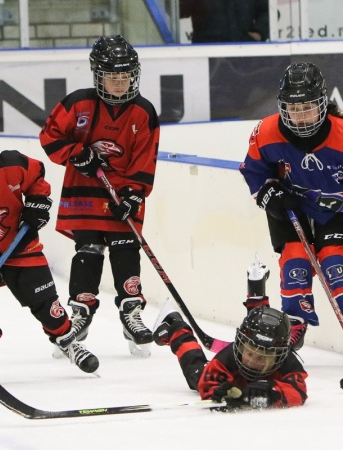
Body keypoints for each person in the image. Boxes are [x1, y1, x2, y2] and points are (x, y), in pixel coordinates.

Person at [0, 111, 99, 384]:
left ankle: (67, 339)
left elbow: (37, 178)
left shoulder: (12, 164)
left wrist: (37, 202)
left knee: (47, 304)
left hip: (21, 247)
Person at [39, 35, 160, 358]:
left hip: (122, 194)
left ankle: (131, 312)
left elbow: (146, 158)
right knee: (88, 250)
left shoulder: (144, 111)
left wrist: (134, 196)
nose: (120, 83)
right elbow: (49, 137)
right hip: (85, 191)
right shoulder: (78, 103)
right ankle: (80, 313)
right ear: (98, 75)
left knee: (125, 248)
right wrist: (77, 154)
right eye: (112, 76)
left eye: (125, 76)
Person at [240, 61, 343, 351]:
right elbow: (254, 171)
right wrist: (269, 194)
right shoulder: (267, 131)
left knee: (336, 266)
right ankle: (295, 322)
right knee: (295, 262)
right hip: (289, 207)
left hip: (336, 210)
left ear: (323, 103)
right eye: (293, 108)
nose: (300, 116)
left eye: (307, 107)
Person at [153, 259, 307, 410]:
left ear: (277, 357)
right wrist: (219, 395)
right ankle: (175, 326)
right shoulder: (226, 360)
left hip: (248, 380)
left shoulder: (288, 363)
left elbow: (299, 392)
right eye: (249, 353)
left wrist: (272, 393)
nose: (252, 361)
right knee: (197, 375)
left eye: (261, 358)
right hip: (229, 378)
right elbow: (207, 386)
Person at [179, 0, 269, 43]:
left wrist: (259, 32)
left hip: (244, 53)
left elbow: (269, 11)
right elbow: (177, 10)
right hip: (206, 54)